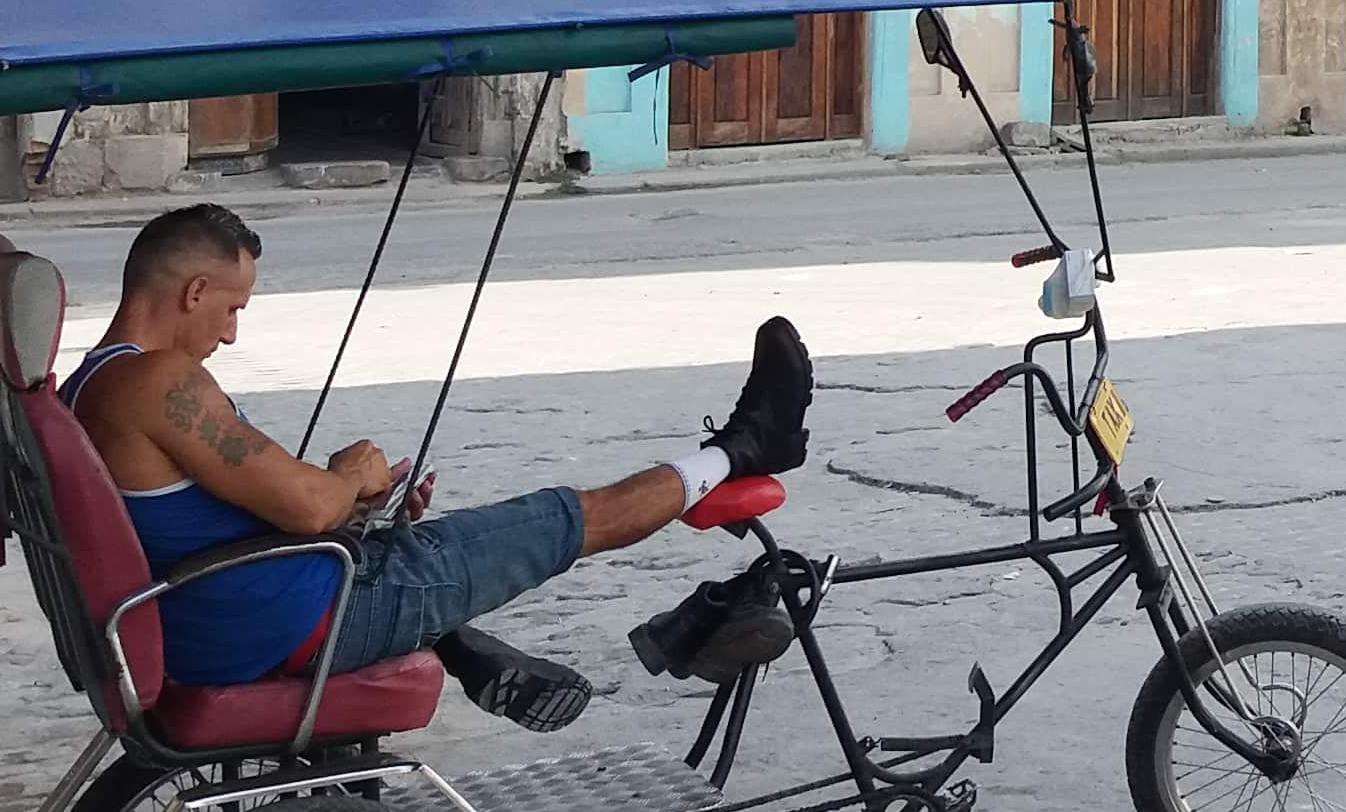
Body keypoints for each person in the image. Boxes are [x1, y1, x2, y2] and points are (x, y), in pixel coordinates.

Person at [66, 201, 813, 731]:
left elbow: (255, 501)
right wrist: (349, 479)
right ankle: (743, 446)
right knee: (562, 517)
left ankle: (471, 648)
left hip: (238, 601)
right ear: (194, 290)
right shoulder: (159, 381)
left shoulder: (88, 385)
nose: (229, 334)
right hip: (289, 617)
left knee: (426, 534)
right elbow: (307, 507)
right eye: (231, 309)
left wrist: (349, 496)